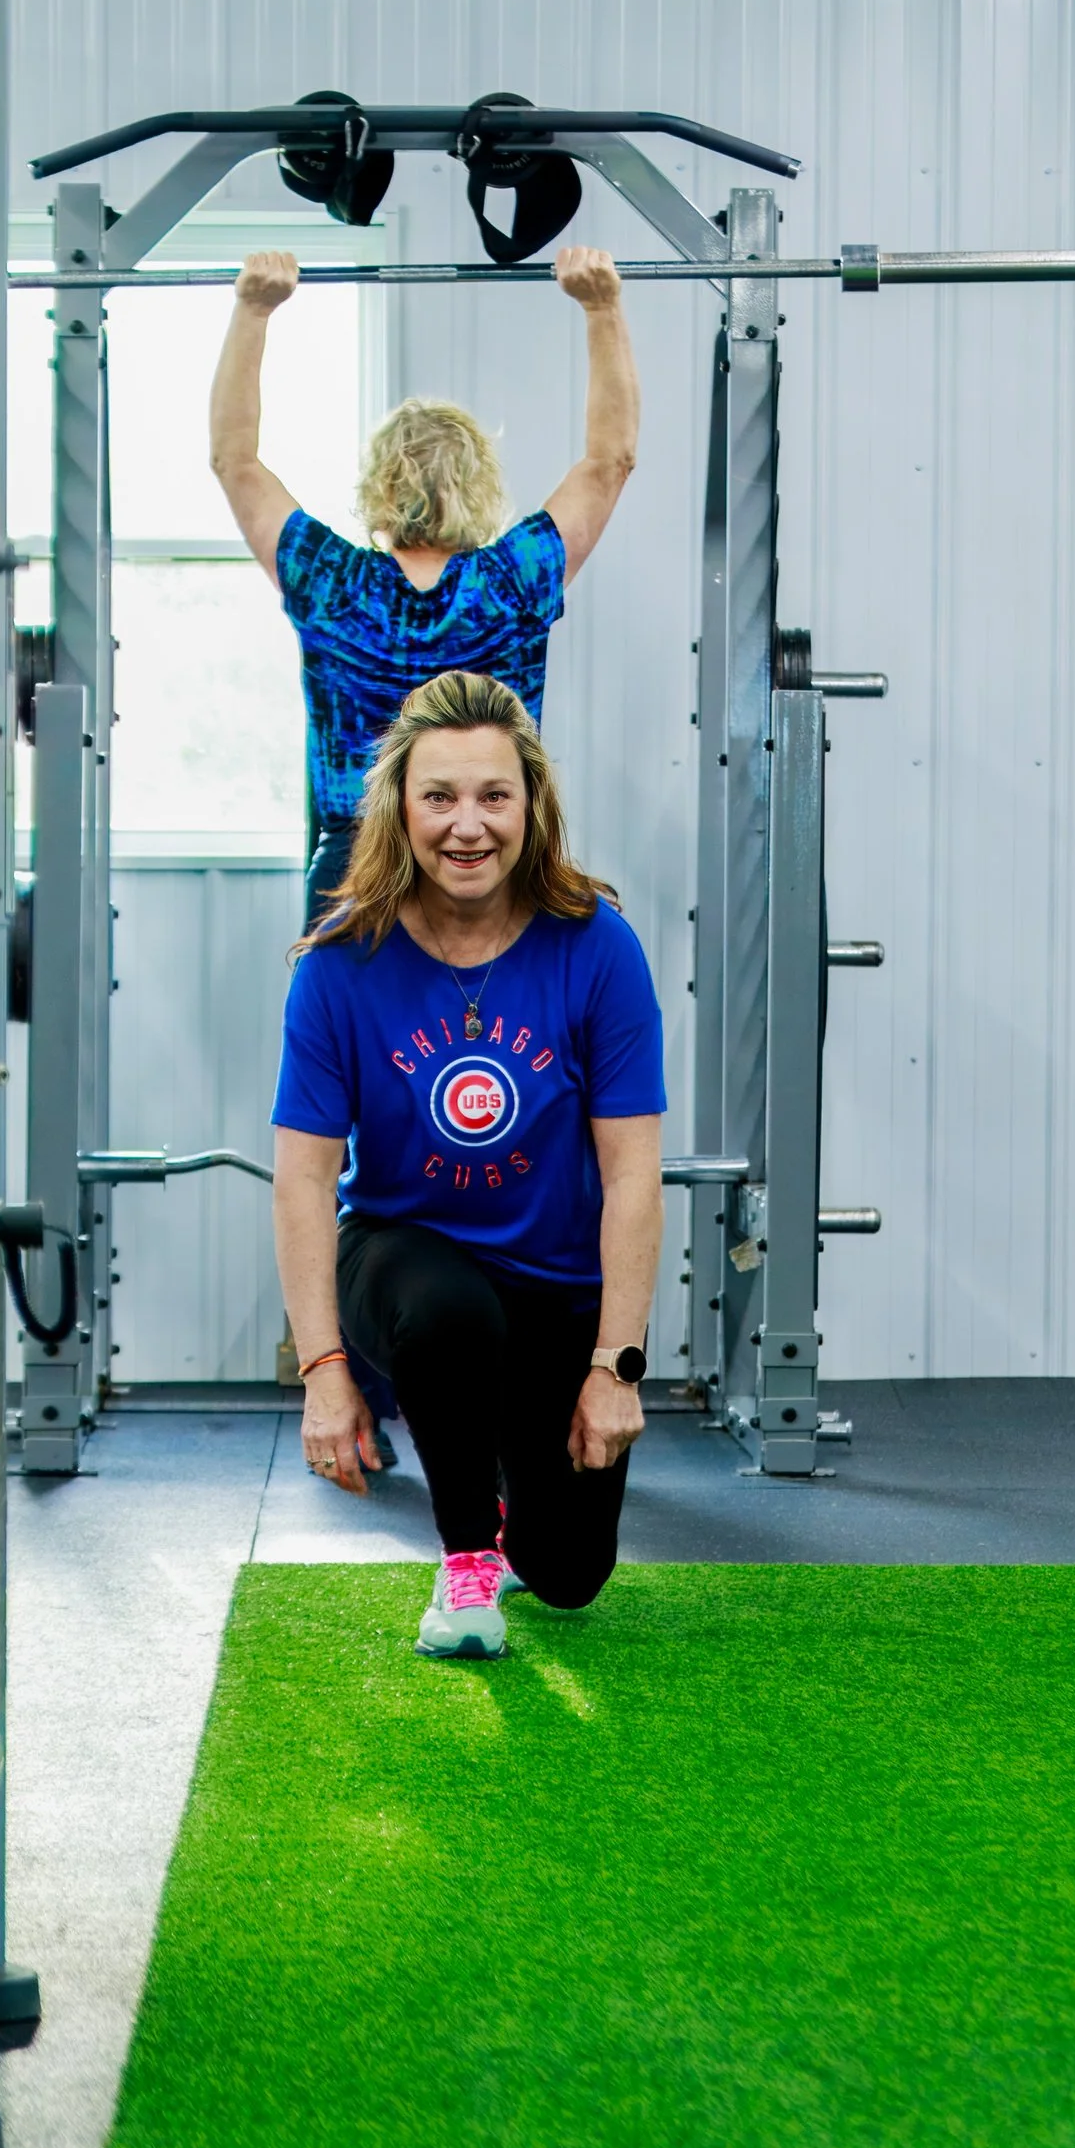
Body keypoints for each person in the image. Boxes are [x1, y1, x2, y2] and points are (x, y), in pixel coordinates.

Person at [271, 670, 665, 1661]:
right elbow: (305, 1181)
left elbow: (631, 1175)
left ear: (531, 806)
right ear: (398, 810)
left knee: (570, 1574)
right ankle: (464, 1571)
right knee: (450, 1314)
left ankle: (500, 1480)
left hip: (552, 1289)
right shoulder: (337, 965)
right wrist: (323, 1373)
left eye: (494, 796)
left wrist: (613, 1367)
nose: (467, 825)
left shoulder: (597, 949)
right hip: (403, 1261)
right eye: (438, 797)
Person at [208, 245, 640, 930]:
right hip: (490, 854)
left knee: (358, 1043)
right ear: (480, 487)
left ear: (377, 487)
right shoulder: (511, 582)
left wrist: (254, 307)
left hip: (361, 863)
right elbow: (610, 460)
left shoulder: (333, 585)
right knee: (485, 1039)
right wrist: (601, 306)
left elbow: (234, 460)